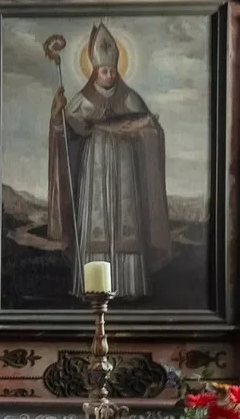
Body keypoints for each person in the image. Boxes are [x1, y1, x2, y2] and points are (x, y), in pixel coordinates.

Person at [46, 22, 171, 298]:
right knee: (97, 215)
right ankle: (92, 288)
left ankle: (128, 286)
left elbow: (149, 127)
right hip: (95, 165)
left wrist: (146, 129)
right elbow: (65, 128)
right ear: (94, 71)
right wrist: (57, 116)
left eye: (113, 70)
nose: (109, 74)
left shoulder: (130, 98)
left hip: (125, 167)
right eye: (104, 70)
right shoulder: (83, 99)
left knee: (126, 214)